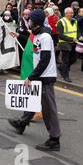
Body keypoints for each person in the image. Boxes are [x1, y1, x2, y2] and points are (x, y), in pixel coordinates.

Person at [8, 9, 61, 151]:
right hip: (40, 76)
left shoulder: (45, 37)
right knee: (33, 100)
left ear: (36, 22)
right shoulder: (37, 35)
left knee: (49, 109)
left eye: (30, 20)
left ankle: (54, 139)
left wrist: (31, 77)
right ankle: (22, 123)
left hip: (45, 77)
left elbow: (45, 60)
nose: (28, 22)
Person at [57, 7, 80, 82]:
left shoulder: (75, 21)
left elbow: (77, 31)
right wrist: (71, 39)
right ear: (66, 13)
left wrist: (79, 36)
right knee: (65, 60)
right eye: (71, 13)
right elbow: (60, 35)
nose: (72, 14)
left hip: (74, 42)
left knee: (73, 59)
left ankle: (62, 67)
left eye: (72, 13)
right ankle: (66, 76)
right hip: (64, 43)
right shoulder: (61, 22)